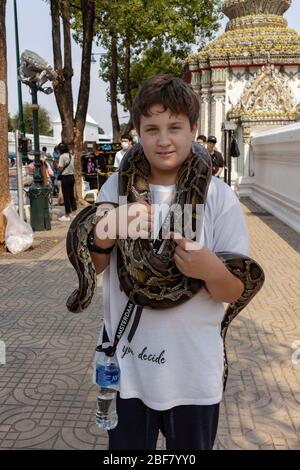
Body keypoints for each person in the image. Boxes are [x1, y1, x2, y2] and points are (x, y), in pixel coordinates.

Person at [90, 75, 248, 450]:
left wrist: (210, 268)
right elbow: (94, 266)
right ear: (138, 133)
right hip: (128, 371)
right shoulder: (115, 187)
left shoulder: (219, 197)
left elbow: (234, 289)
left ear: (194, 129)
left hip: (193, 374)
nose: (164, 140)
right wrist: (105, 231)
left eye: (175, 127)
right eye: (152, 129)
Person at [57, 143, 77, 222]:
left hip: (65, 177)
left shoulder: (62, 157)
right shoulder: (70, 156)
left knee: (66, 196)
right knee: (72, 195)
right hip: (72, 177)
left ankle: (67, 214)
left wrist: (57, 167)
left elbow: (61, 169)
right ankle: (74, 213)